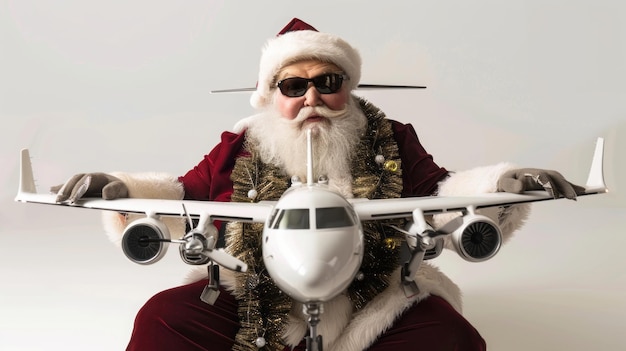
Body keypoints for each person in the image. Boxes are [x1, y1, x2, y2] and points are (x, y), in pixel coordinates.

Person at [54, 18, 585, 351]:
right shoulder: (239, 146)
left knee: (450, 340)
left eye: (328, 83)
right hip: (250, 294)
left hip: (373, 296)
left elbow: (444, 195)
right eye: (293, 84)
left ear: (348, 89)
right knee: (162, 322)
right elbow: (184, 194)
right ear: (270, 95)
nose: (312, 97)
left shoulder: (391, 138)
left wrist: (508, 181)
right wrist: (117, 189)